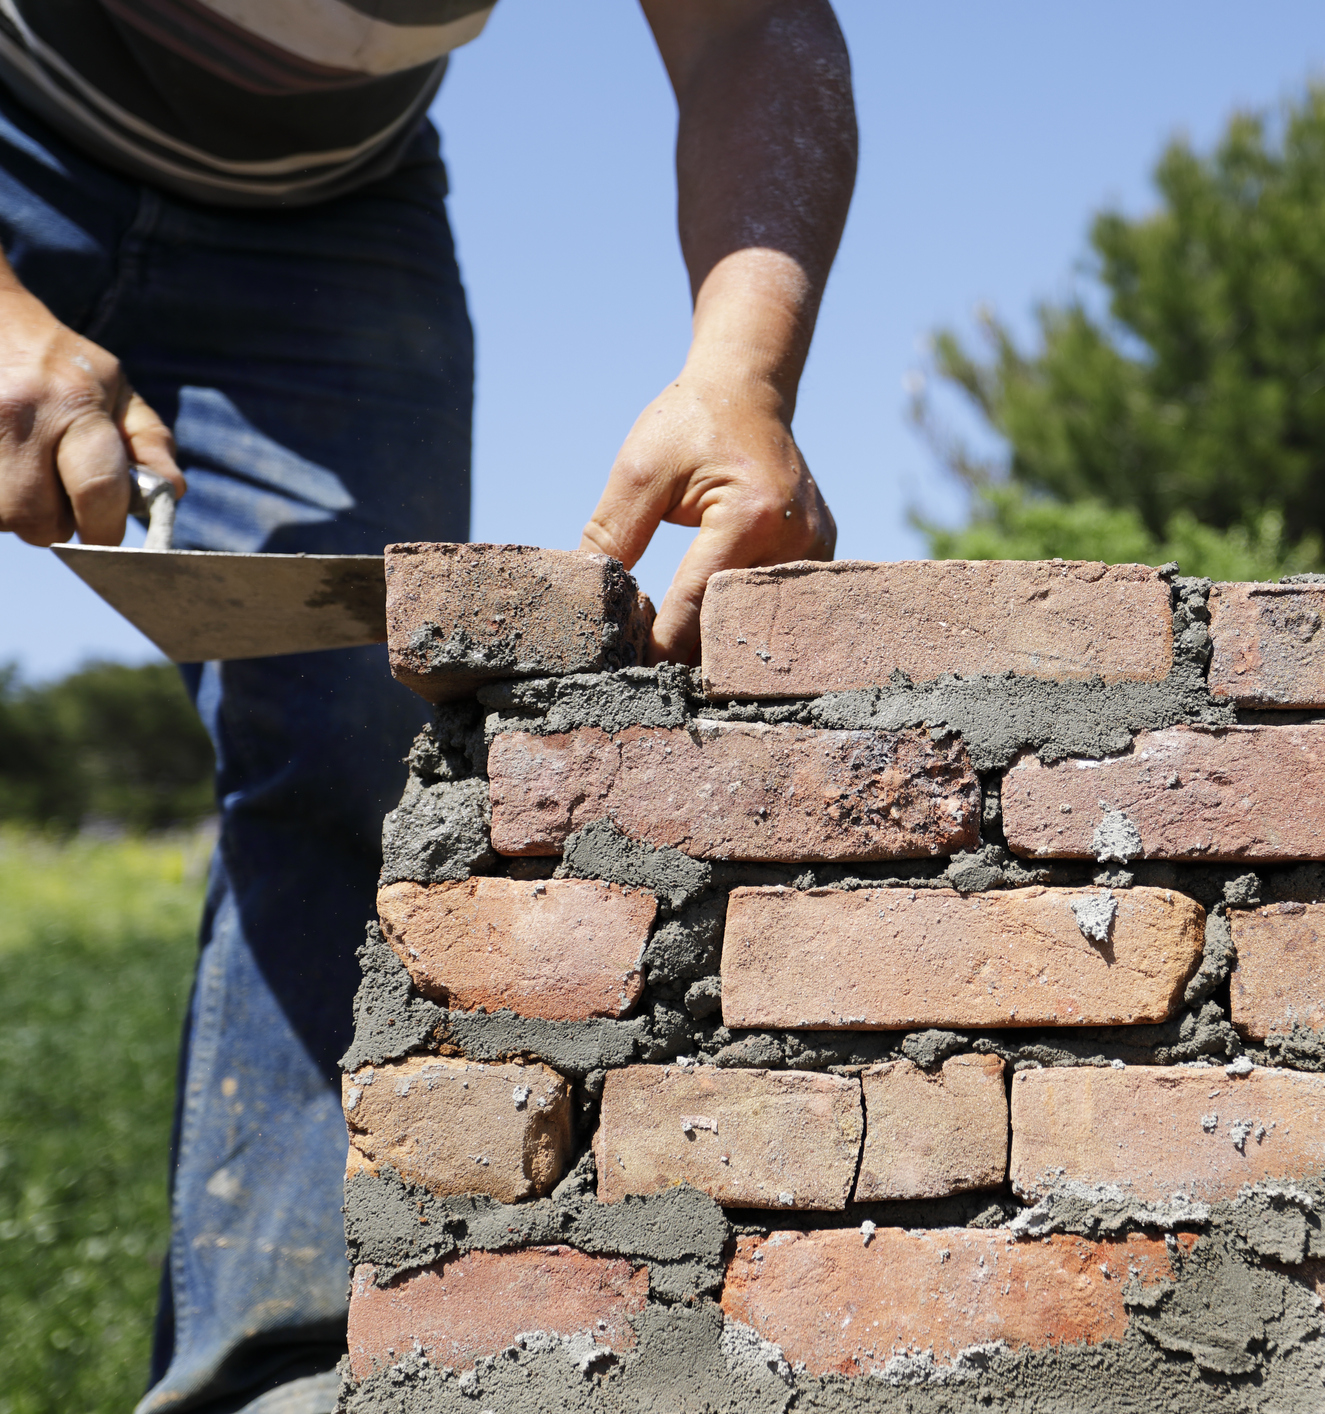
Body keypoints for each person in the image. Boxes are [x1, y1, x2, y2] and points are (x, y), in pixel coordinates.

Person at [0, 2, 854, 1410]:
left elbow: (750, 25)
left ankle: (272, 1366)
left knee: (362, 747)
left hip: (328, 213)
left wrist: (740, 371)